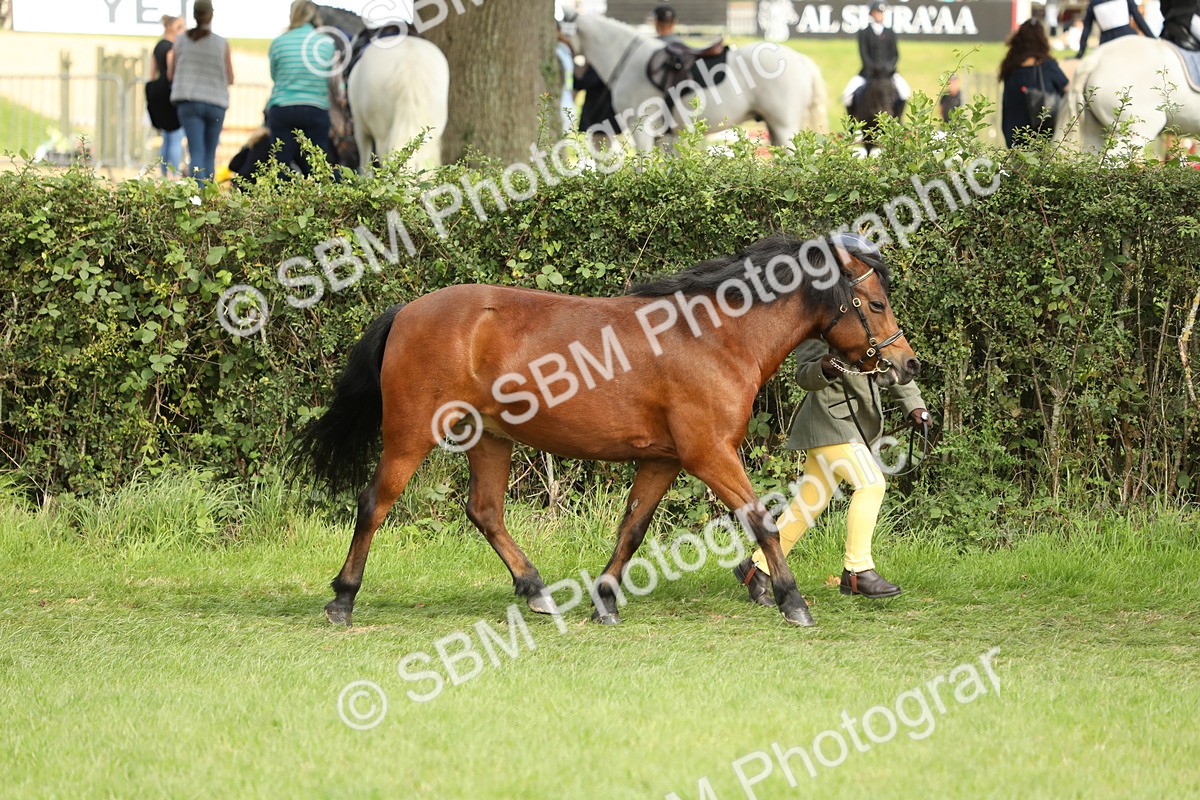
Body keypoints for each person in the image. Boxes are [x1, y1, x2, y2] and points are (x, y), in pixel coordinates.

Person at [732, 331, 930, 606]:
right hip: (829, 423)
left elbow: (891, 362)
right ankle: (858, 570)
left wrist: (914, 406)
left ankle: (757, 568)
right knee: (871, 484)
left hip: (855, 426)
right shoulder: (821, 324)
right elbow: (804, 375)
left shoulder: (869, 323)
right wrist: (822, 368)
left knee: (808, 504)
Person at [265, 0, 336, 176]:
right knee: (317, 166)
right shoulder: (326, 43)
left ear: (293, 15)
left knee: (280, 164)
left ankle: (277, 201)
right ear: (314, 16)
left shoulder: (279, 42)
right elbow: (331, 79)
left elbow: (275, 76)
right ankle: (317, 200)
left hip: (283, 108)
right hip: (315, 109)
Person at [169, 0, 233, 183]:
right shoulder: (221, 43)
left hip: (189, 101)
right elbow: (231, 77)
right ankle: (209, 199)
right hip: (216, 103)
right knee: (210, 153)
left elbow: (170, 73)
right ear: (211, 15)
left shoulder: (180, 41)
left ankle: (198, 198)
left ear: (194, 14)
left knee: (195, 151)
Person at [1000, 19, 1069, 147]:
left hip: (1015, 138)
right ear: (1041, 39)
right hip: (1042, 137)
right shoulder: (1047, 66)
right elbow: (1067, 89)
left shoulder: (1010, 67)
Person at [841, 2, 911, 118]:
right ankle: (853, 124)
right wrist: (872, 67)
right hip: (868, 73)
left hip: (888, 74)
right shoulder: (864, 32)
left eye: (881, 13)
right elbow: (864, 53)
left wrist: (888, 67)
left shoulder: (890, 32)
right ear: (872, 14)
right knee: (847, 95)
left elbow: (895, 54)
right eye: (878, 13)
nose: (880, 15)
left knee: (905, 92)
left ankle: (898, 120)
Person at [146, 14, 184, 177]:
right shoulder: (171, 48)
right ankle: (174, 173)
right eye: (180, 27)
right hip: (170, 94)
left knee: (166, 137)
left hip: (159, 92)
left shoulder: (158, 46)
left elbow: (152, 72)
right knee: (175, 136)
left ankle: (163, 173)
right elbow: (171, 73)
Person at [1075, 0, 1155, 57]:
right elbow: (1139, 20)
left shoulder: (1093, 3)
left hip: (1106, 43)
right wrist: (1153, 38)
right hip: (1128, 39)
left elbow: (1087, 29)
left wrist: (1081, 51)